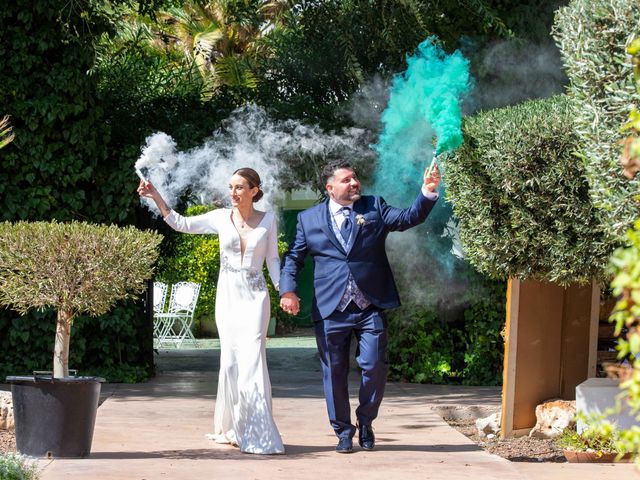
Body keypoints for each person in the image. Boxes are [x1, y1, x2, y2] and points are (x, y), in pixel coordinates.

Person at [279, 159, 440, 453]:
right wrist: (288, 290)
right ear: (330, 188)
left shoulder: (374, 206)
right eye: (346, 180)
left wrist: (427, 192)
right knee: (334, 373)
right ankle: (343, 431)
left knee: (375, 366)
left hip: (369, 306)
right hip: (331, 309)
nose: (354, 183)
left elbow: (407, 218)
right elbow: (293, 258)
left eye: (355, 178)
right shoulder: (308, 219)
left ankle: (366, 421)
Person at [138, 168, 285, 455]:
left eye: (240, 187)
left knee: (253, 359)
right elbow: (180, 223)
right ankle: (232, 427)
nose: (233, 193)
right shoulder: (219, 218)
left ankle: (258, 433)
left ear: (254, 191)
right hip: (227, 298)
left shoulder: (268, 220)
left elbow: (273, 259)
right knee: (230, 363)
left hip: (256, 298)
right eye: (231, 187)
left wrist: (286, 291)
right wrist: (156, 195)